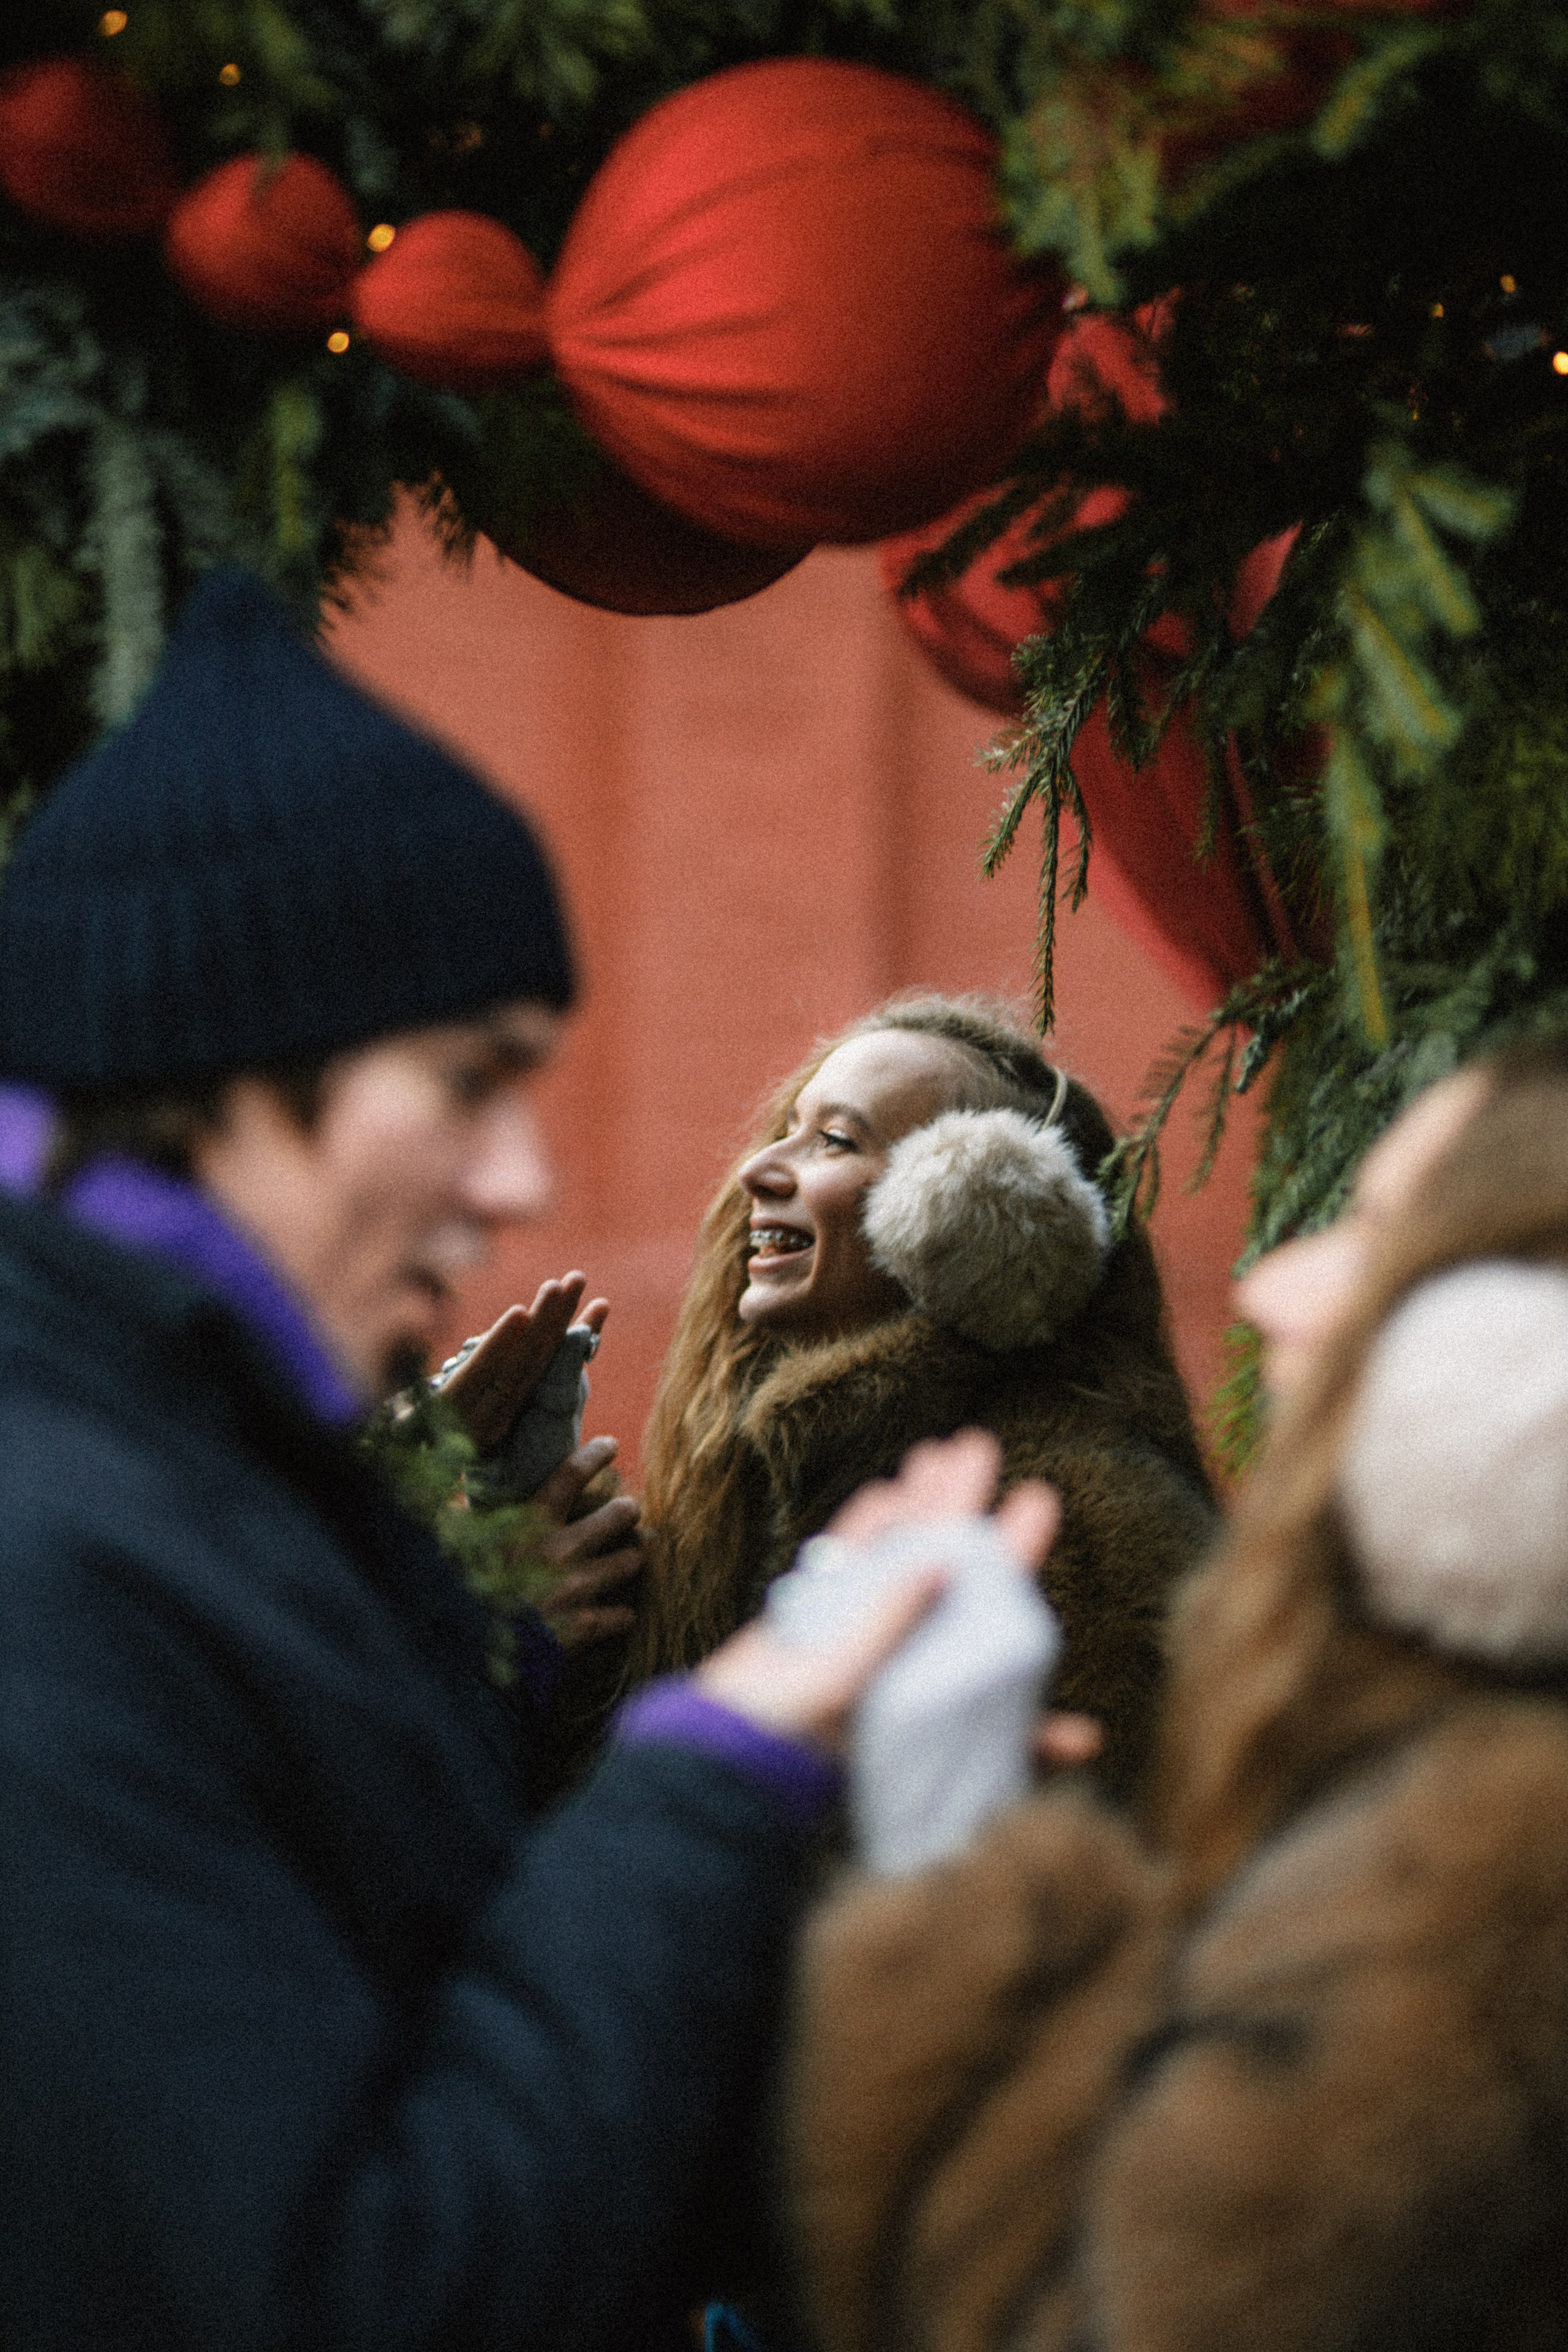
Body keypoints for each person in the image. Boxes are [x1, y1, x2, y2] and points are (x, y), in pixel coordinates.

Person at [0, 568, 1028, 2352]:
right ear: (230, 1067)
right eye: (469, 1081)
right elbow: (367, 2292)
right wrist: (717, 1771)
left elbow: (481, 2082)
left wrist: (881, 1839)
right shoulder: (47, 1567)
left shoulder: (203, 1475)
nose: (517, 1183)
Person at [785, 1049, 1568, 2352]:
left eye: (1377, 1237)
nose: (1272, 1284)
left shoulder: (1469, 1895)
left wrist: (945, 1868)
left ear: (1512, 1382)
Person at [637, 996, 1217, 1795]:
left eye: (835, 1140)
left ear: (987, 1212)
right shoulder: (760, 1485)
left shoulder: (1076, 1531)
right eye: (788, 1131)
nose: (758, 1170)